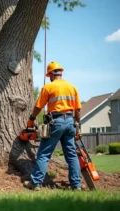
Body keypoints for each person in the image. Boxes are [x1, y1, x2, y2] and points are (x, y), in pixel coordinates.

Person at [24, 61, 82, 191]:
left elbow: (38, 106)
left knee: (44, 154)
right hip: (70, 122)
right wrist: (78, 126)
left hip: (56, 122)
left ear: (50, 74)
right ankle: (76, 185)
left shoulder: (48, 87)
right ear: (61, 73)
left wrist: (31, 120)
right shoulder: (72, 87)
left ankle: (36, 183)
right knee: (72, 155)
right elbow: (77, 110)